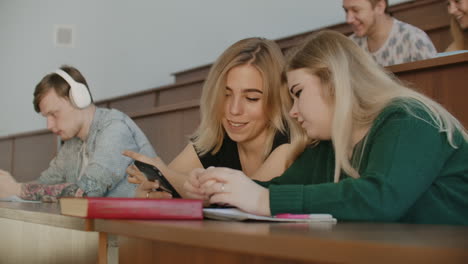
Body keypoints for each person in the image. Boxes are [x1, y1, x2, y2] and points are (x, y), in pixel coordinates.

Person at [187, 30, 468, 225]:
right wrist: (220, 190)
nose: (293, 111)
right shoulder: (328, 143)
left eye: (298, 93)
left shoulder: (410, 119)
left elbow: (380, 198)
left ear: (334, 85)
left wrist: (262, 198)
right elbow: (276, 189)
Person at [124, 37, 306, 199]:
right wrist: (151, 191)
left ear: (277, 99)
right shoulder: (215, 137)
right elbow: (167, 184)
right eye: (226, 95)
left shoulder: (290, 143)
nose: (234, 110)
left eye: (252, 98)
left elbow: (245, 201)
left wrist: (167, 175)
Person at [0, 65, 156, 201]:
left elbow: (87, 192)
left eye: (54, 114)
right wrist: (9, 186)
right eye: (46, 117)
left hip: (134, 230)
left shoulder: (115, 129)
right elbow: (44, 184)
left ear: (79, 99)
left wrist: (19, 190)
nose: (49, 125)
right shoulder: (72, 143)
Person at [343, 0, 437, 66]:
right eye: (346, 10)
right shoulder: (349, 46)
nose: (348, 19)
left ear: (380, 7)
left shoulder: (414, 39)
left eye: (356, 10)